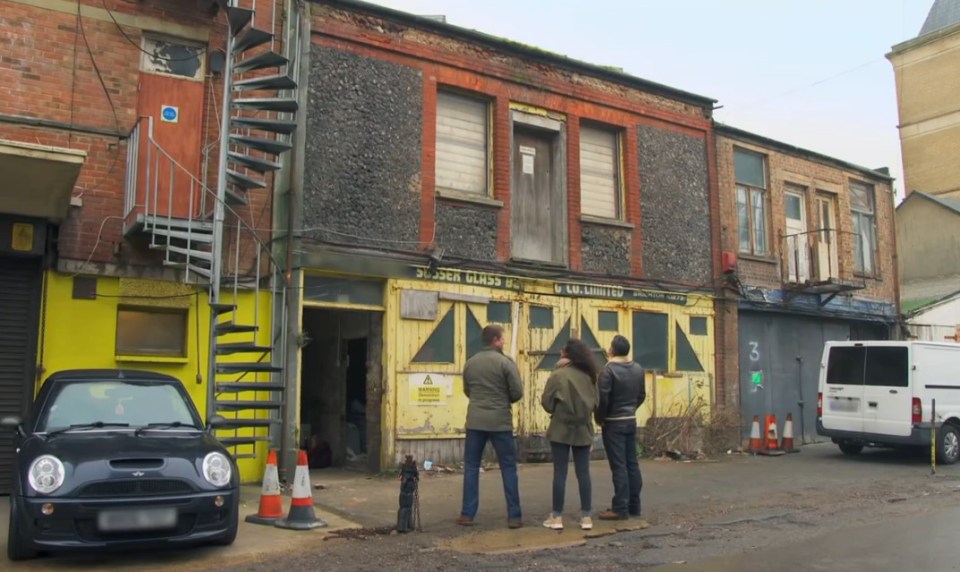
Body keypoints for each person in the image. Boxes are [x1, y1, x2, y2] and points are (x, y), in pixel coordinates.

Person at [458, 324, 524, 529]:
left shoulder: (471, 363)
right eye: (502, 339)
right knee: (508, 467)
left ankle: (467, 514)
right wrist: (502, 400)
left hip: (475, 421)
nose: (504, 341)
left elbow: (468, 390)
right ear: (495, 340)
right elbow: (517, 392)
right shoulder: (505, 363)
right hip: (500, 422)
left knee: (471, 466)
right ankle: (514, 516)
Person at [540, 338, 599, 531]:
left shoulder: (558, 375)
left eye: (562, 351)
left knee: (560, 472)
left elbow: (547, 404)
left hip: (561, 428)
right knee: (584, 473)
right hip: (583, 428)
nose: (559, 353)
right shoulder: (590, 375)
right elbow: (597, 403)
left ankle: (557, 517)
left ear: (566, 355)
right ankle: (587, 517)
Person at [595, 334, 646, 520]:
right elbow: (641, 395)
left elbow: (603, 398)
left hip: (613, 422)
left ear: (612, 350)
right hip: (630, 420)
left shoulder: (608, 371)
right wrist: (631, 408)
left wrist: (600, 418)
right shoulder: (638, 369)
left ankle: (620, 508)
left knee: (619, 466)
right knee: (632, 464)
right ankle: (634, 505)